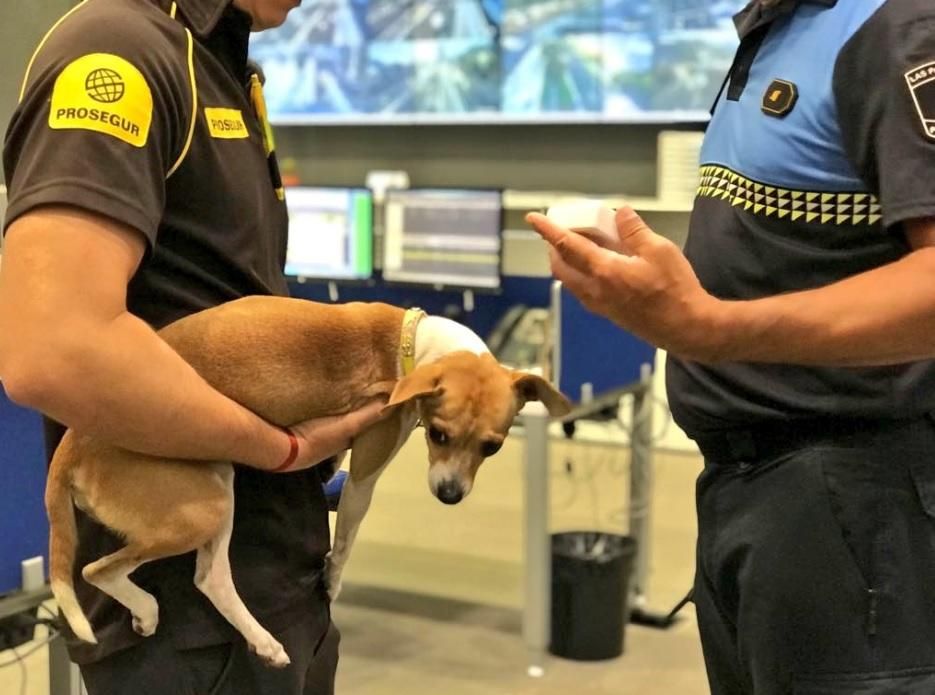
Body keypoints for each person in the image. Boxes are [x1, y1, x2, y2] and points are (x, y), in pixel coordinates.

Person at [528, 0, 935, 692]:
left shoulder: (893, 28)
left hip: (850, 496)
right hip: (744, 490)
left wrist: (709, 328)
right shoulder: (771, 34)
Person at [0, 0, 386, 693]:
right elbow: (56, 348)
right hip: (186, 616)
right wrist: (282, 448)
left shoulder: (223, 67)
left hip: (274, 574)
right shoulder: (117, 49)